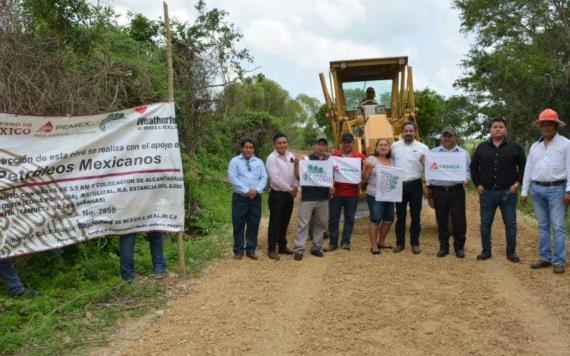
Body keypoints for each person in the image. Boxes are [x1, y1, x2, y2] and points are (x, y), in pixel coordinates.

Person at [521, 108, 570, 274]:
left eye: (550, 124)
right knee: (542, 226)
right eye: (543, 124)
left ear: (556, 126)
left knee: (558, 226)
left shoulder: (565, 144)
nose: (546, 127)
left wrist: (569, 191)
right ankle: (545, 257)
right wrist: (524, 191)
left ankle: (559, 260)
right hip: (537, 189)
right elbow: (528, 169)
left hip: (557, 189)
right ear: (539, 127)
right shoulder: (535, 146)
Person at [470, 117, 526, 262]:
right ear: (490, 129)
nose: (498, 129)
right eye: (495, 126)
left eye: (501, 126)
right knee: (485, 224)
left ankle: (511, 252)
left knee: (510, 223)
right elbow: (473, 167)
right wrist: (478, 184)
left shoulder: (515, 148)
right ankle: (486, 251)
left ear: (505, 129)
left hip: (509, 192)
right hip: (487, 192)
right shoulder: (481, 147)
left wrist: (517, 184)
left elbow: (524, 168)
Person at [425, 127, 470, 258]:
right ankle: (443, 247)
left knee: (459, 219)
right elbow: (428, 171)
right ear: (441, 138)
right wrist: (427, 186)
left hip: (456, 190)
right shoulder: (433, 153)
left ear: (455, 137)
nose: (447, 139)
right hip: (439, 191)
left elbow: (468, 171)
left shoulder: (463, 153)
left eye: (450, 136)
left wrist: (467, 179)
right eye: (445, 136)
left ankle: (459, 247)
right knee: (441, 218)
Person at [391, 121, 429, 254]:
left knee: (415, 216)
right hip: (399, 184)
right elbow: (388, 162)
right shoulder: (394, 146)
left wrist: (426, 184)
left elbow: (428, 168)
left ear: (415, 132)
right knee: (400, 216)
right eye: (406, 131)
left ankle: (415, 243)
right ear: (402, 132)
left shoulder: (423, 147)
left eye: (410, 131)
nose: (408, 133)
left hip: (415, 185)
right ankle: (400, 243)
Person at [228, 137, 268, 260]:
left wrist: (256, 190)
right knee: (238, 223)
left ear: (254, 149)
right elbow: (232, 178)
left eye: (251, 147)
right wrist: (246, 191)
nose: (248, 150)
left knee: (253, 223)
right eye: (246, 147)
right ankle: (238, 251)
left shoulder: (259, 162)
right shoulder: (235, 161)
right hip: (240, 198)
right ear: (241, 148)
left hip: (255, 198)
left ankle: (251, 249)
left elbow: (264, 177)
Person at [325, 132, 366, 251]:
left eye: (349, 142)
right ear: (341, 143)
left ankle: (345, 241)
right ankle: (333, 243)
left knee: (350, 218)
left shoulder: (360, 157)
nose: (347, 144)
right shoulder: (334, 156)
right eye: (345, 142)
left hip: (352, 194)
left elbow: (365, 174)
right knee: (333, 218)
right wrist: (329, 185)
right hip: (336, 193)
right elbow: (327, 173)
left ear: (353, 143)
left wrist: (362, 179)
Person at [293, 136, 331, 261]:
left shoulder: (329, 160)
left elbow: (333, 176)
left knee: (321, 224)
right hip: (308, 198)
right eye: (319, 144)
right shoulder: (307, 159)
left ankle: (316, 247)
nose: (321, 147)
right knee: (303, 224)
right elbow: (298, 176)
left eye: (323, 145)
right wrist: (296, 166)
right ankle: (299, 249)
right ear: (314, 145)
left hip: (324, 198)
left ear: (326, 147)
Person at [265, 133, 298, 260]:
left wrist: (295, 187)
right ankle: (272, 249)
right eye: (279, 143)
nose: (282, 145)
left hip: (290, 195)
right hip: (277, 195)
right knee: (275, 222)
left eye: (284, 142)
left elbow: (296, 173)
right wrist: (290, 189)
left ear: (287, 143)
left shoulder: (291, 156)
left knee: (285, 221)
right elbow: (275, 179)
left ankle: (282, 246)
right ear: (275, 144)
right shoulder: (271, 158)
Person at [362, 138, 395, 255]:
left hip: (389, 195)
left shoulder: (392, 161)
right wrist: (367, 169)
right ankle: (374, 245)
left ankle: (381, 241)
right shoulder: (371, 159)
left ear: (389, 148)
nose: (383, 147)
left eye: (385, 145)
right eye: (380, 145)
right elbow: (364, 178)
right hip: (374, 194)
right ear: (376, 148)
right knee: (375, 219)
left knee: (389, 219)